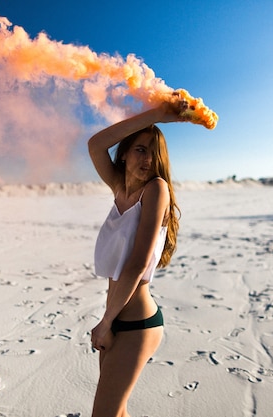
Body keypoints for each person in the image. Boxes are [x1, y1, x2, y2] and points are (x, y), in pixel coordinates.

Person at [88, 97, 189, 417]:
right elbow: (95, 144)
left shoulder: (156, 189)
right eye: (140, 149)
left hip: (137, 323)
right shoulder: (120, 189)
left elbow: (137, 263)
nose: (148, 159)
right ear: (125, 152)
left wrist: (105, 323)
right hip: (116, 321)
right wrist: (156, 115)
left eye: (154, 152)